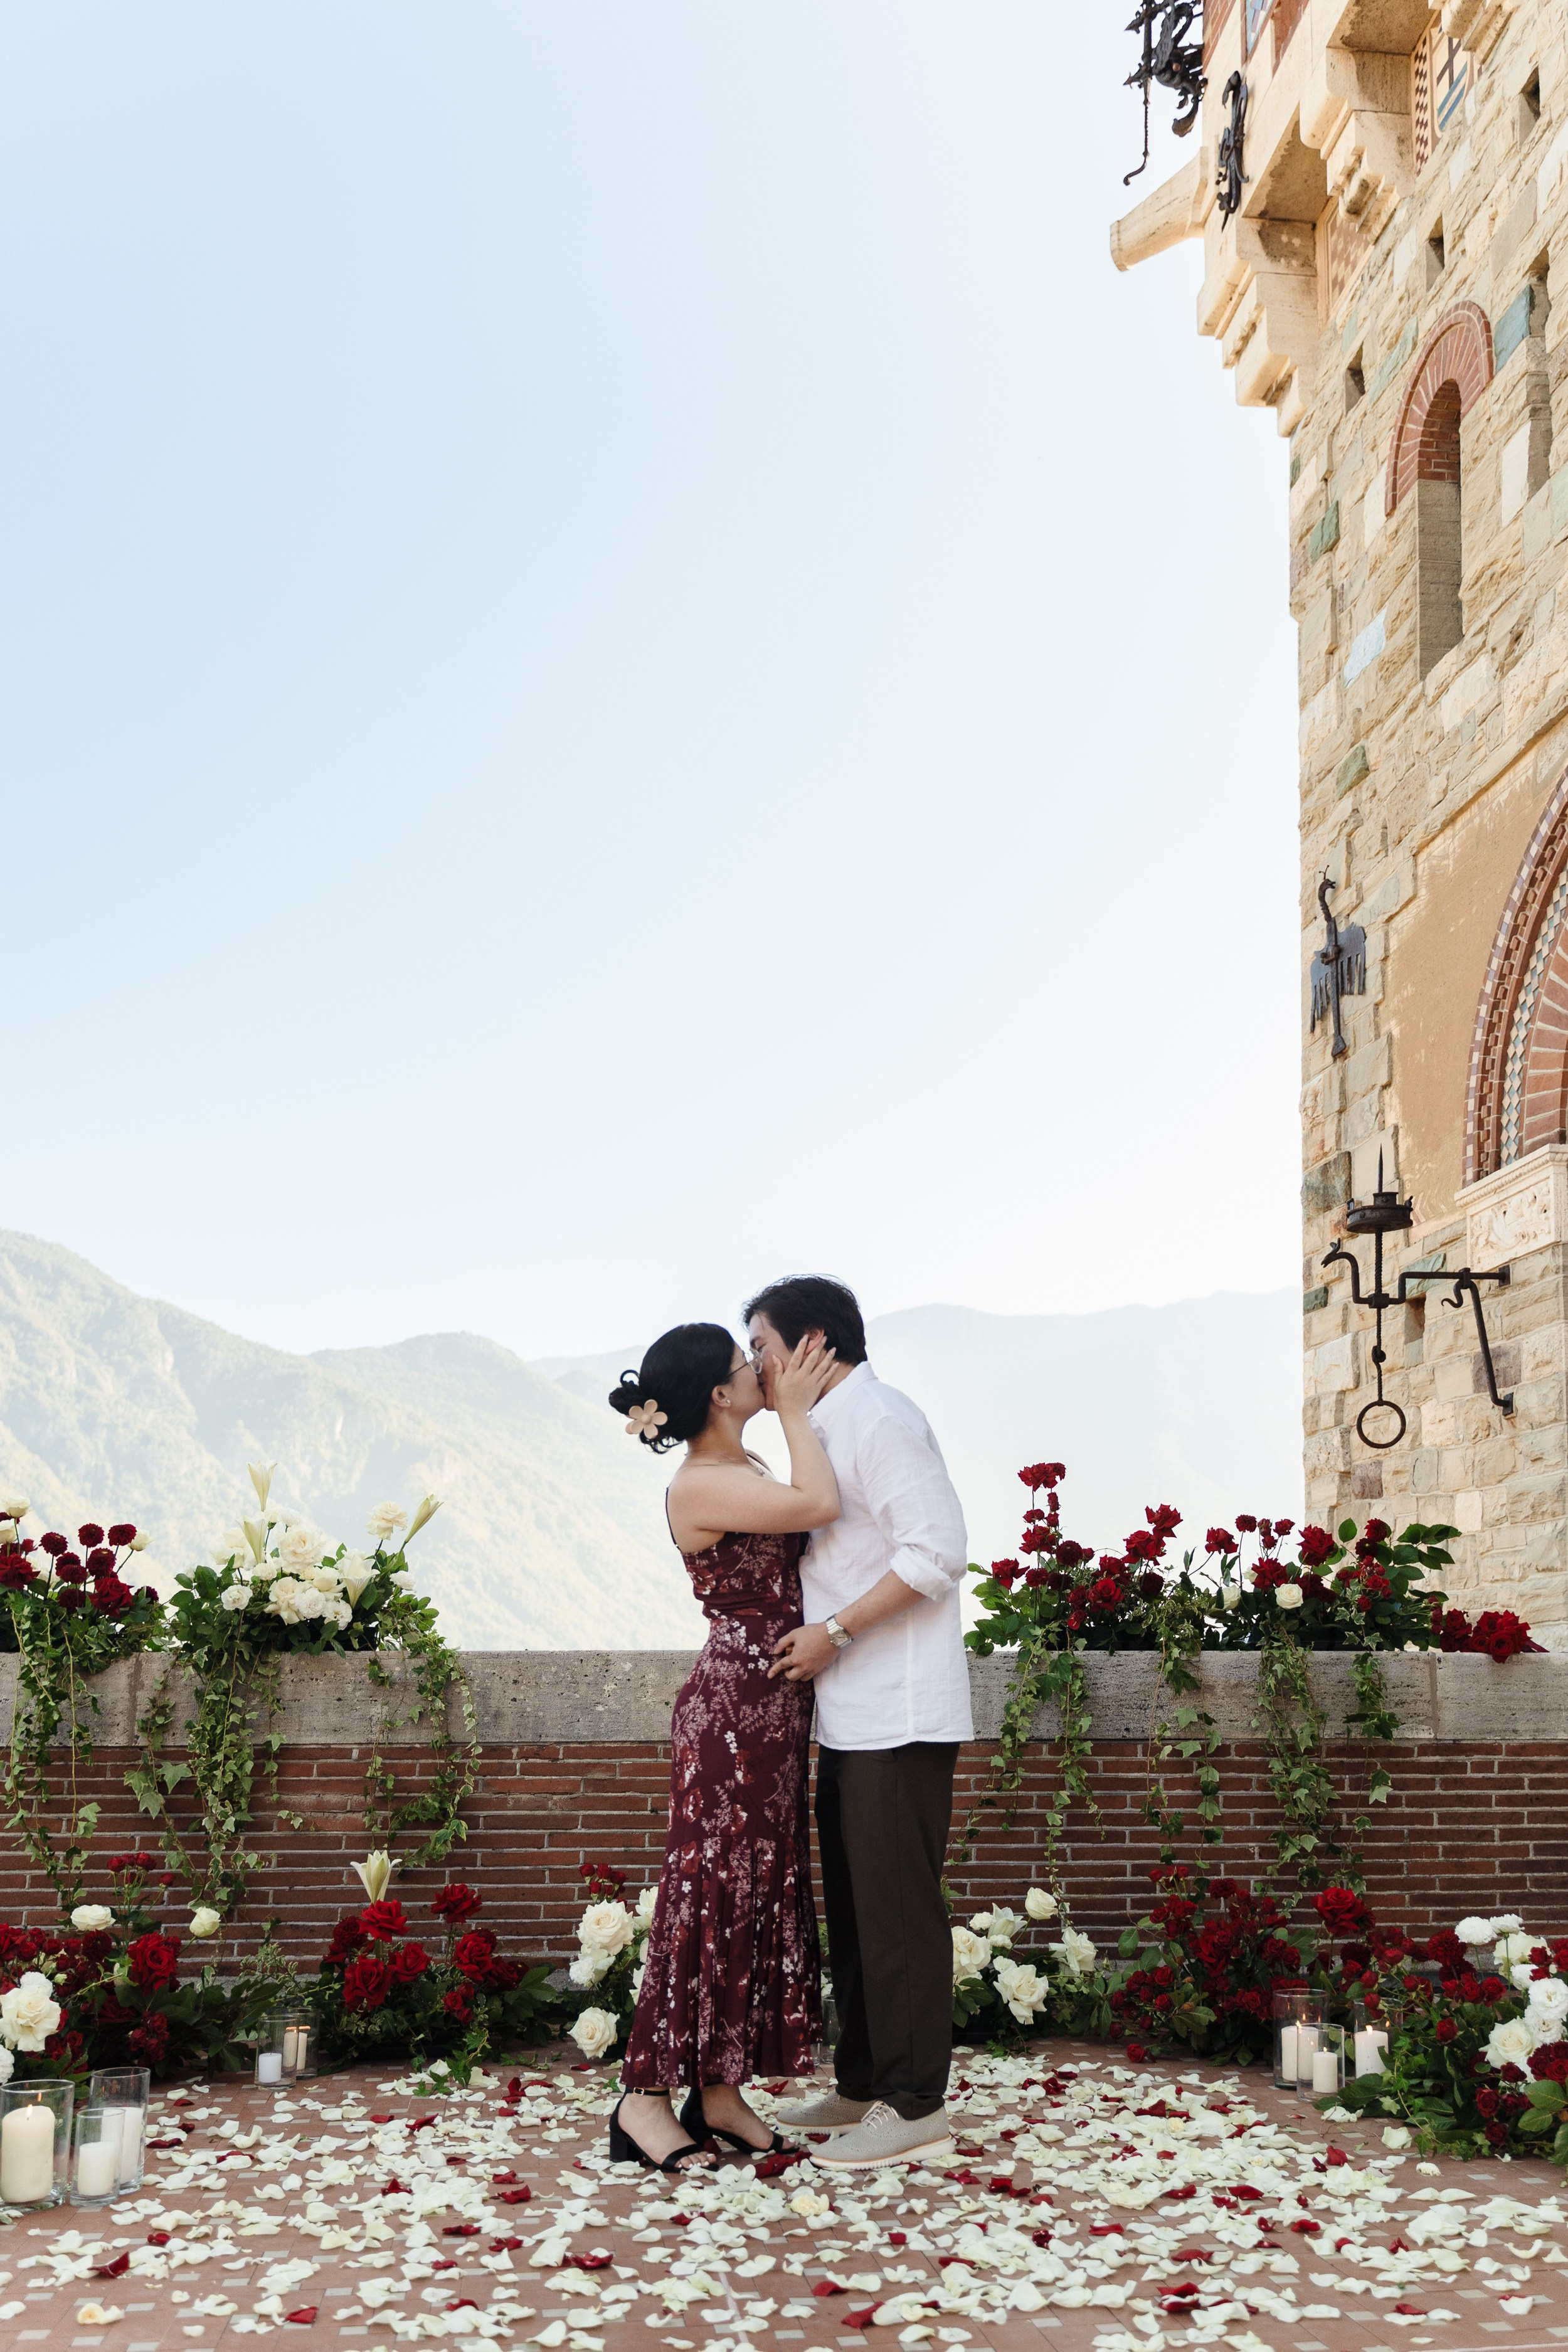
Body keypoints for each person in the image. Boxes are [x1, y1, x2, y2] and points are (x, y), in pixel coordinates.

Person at [604, 1322, 840, 2172]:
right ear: (719, 1392)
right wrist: (799, 1412)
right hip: (730, 1715)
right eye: (752, 1369)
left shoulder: (743, 1467)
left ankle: (720, 2091)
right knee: (707, 1894)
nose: (765, 1374)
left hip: (774, 1712)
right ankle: (641, 2097)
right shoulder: (701, 1483)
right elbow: (819, 1505)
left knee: (756, 1894)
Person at [750, 1273, 972, 2171]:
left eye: (763, 1349)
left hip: (902, 1707)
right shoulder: (826, 1431)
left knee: (898, 1911)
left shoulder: (878, 1419)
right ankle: (865, 2078)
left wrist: (836, 1631)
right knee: (855, 1906)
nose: (757, 1370)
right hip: (848, 1713)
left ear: (811, 1347)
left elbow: (940, 1549)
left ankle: (915, 2099)